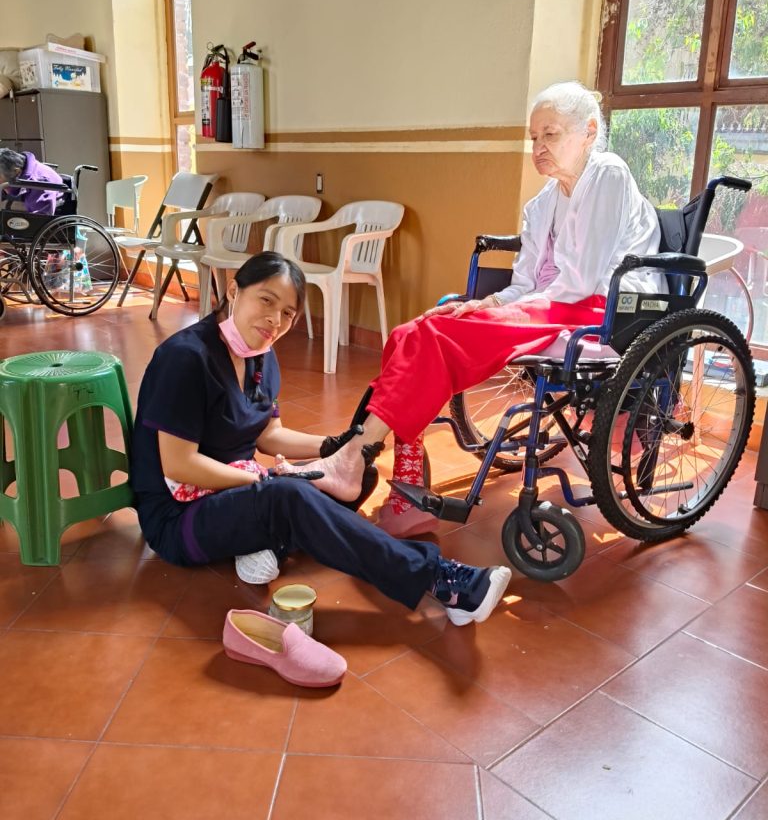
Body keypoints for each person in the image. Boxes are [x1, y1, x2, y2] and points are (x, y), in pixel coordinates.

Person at [275, 81, 663, 535]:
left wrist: (501, 312)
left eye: (551, 135)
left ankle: (352, 457)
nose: (538, 147)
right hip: (553, 304)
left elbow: (579, 281)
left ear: (590, 131)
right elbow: (524, 282)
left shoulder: (608, 175)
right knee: (413, 330)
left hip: (601, 307)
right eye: (533, 137)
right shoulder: (542, 203)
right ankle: (407, 478)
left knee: (435, 336)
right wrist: (488, 304)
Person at [131, 251, 512, 627]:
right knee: (287, 497)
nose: (273, 320)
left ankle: (258, 537)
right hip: (179, 518)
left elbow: (269, 436)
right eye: (266, 300)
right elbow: (180, 465)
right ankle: (441, 580)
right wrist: (262, 481)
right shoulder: (185, 358)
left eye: (287, 313)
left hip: (235, 489)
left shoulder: (260, 355)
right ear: (234, 291)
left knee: (359, 477)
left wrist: (336, 447)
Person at [0, 148, 64, 215]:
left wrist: (9, 205)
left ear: (17, 172)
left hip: (40, 216)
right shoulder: (23, 168)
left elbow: (41, 216)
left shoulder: (40, 182)